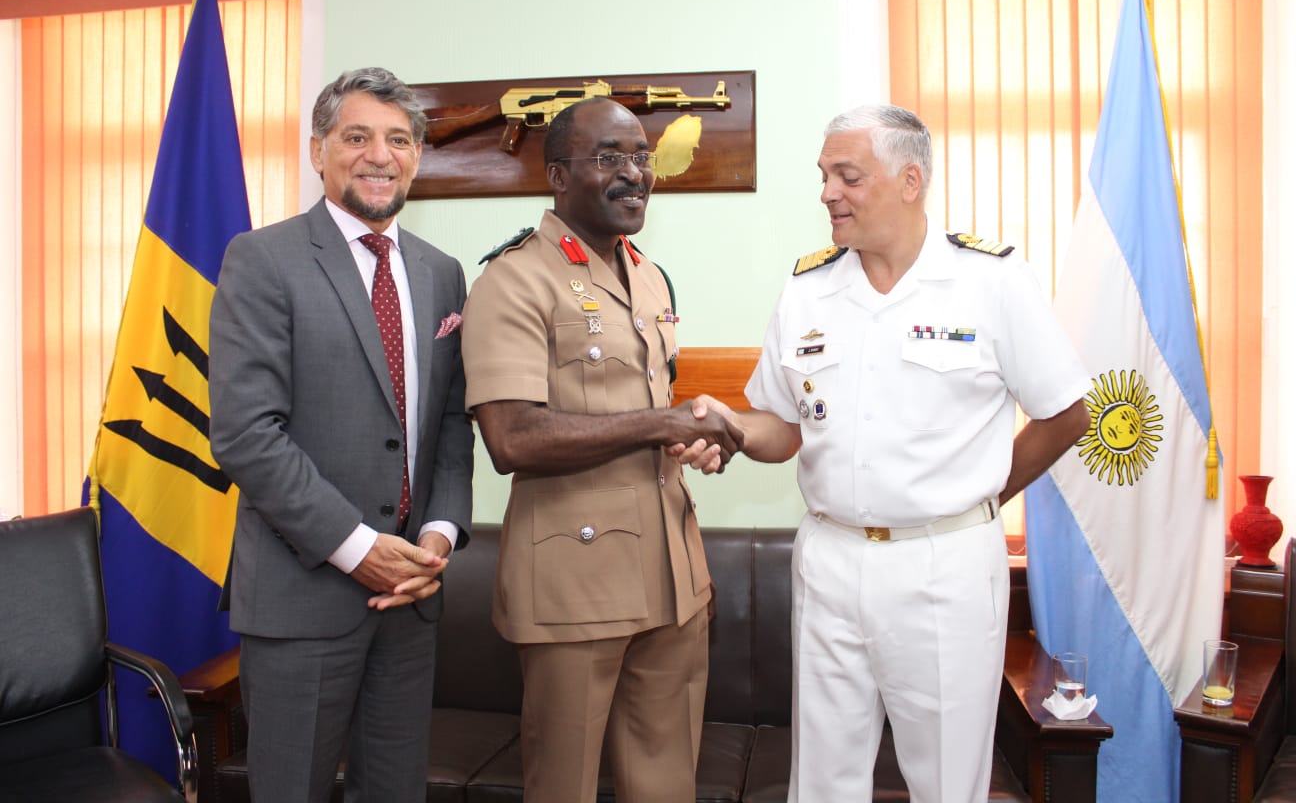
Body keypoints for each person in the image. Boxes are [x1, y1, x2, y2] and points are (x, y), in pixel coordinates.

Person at [678, 104, 1091, 802]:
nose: (827, 193)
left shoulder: (989, 281)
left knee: (946, 783)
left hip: (944, 565)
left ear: (910, 180)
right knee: (822, 782)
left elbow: (1067, 414)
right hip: (830, 559)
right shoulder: (809, 288)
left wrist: (982, 496)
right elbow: (782, 425)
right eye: (823, 176)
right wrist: (734, 430)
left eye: (848, 176)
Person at [460, 96, 743, 803]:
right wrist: (660, 425)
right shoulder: (513, 280)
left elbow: (653, 412)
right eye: (609, 157)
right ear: (558, 176)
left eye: (642, 156)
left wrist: (692, 440)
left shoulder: (648, 275)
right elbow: (511, 437)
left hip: (673, 576)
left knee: (666, 784)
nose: (635, 173)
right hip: (573, 584)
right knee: (564, 787)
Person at [208, 67, 474, 803]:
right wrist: (359, 549)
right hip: (302, 598)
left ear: (416, 155)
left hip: (410, 600)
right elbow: (246, 434)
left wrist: (438, 539)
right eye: (357, 137)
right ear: (318, 150)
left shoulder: (442, 274)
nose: (379, 156)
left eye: (398, 140)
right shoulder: (262, 259)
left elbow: (451, 423)